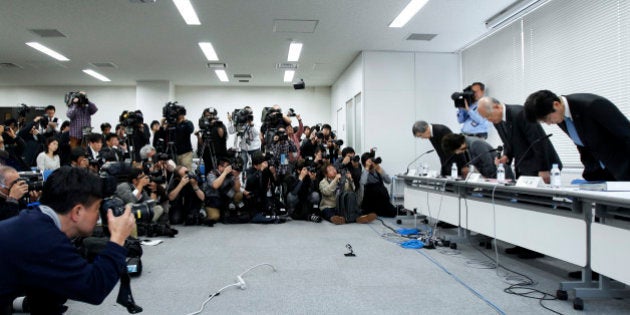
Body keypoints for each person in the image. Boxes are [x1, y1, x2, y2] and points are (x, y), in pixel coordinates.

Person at [0, 166, 136, 314]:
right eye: (97, 208)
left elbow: (45, 299)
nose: (98, 216)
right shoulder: (45, 240)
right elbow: (93, 288)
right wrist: (117, 240)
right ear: (77, 211)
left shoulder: (36, 220)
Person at [524, 90, 630, 181]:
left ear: (556, 104)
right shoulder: (560, 117)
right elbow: (582, 143)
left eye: (547, 119)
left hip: (624, 169)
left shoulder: (593, 105)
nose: (548, 123)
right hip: (602, 174)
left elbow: (626, 133)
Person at [477, 96, 562, 183]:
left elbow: (539, 141)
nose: (489, 120)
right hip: (523, 167)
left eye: (488, 116)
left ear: (497, 107)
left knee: (536, 196)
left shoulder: (520, 113)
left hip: (542, 167)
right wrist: (506, 155)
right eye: (485, 118)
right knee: (522, 195)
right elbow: (508, 142)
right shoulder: (497, 121)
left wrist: (544, 169)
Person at [441, 133, 510, 179]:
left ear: (459, 144)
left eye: (455, 150)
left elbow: (488, 164)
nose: (457, 153)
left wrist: (486, 180)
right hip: (492, 177)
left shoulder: (475, 144)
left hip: (501, 176)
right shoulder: (468, 147)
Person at [359, 152, 397, 217]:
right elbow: (362, 183)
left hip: (382, 200)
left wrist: (380, 171)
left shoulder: (378, 170)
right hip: (370, 201)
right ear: (364, 164)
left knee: (393, 212)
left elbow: (388, 181)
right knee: (367, 212)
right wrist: (367, 168)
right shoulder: (364, 173)